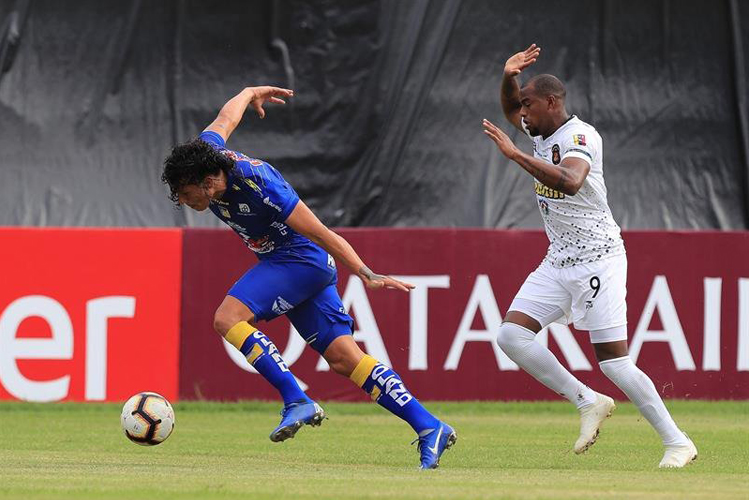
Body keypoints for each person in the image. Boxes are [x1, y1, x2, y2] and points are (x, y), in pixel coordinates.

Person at [161, 85, 456, 469]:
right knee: (344, 358)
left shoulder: (260, 186)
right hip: (295, 264)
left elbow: (320, 233)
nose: (183, 201)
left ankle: (296, 399)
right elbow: (226, 118)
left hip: (300, 260)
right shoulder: (206, 155)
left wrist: (366, 273)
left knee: (227, 318)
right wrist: (249, 92)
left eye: (185, 194)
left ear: (208, 182)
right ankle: (429, 425)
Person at [481, 44, 697, 468]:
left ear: (552, 101)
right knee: (510, 335)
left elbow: (571, 182)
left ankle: (677, 442)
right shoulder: (539, 131)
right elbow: (509, 109)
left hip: (599, 259)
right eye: (520, 105)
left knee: (615, 362)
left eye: (528, 104)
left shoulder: (580, 136)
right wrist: (508, 77)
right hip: (558, 259)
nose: (521, 114)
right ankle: (587, 401)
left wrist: (514, 154)